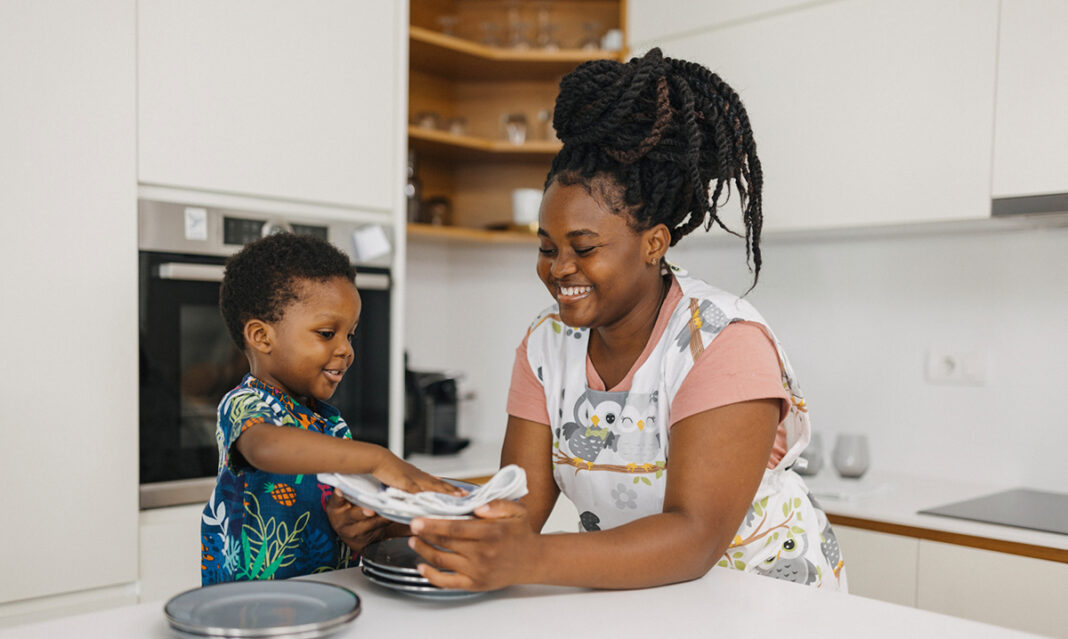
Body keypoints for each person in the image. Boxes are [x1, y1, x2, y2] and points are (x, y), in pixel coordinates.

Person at [336, 47, 846, 592]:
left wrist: (530, 560)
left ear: (654, 243)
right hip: (644, 599)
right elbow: (516, 510)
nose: (559, 269)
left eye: (583, 247)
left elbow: (694, 538)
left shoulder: (720, 341)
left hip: (768, 599)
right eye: (546, 247)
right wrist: (395, 525)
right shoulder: (545, 344)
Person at [200, 232, 460, 585]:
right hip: (250, 610)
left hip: (325, 598)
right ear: (262, 337)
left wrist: (352, 517)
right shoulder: (246, 402)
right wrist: (379, 459)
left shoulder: (330, 423)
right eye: (326, 333)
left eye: (349, 335)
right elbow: (267, 448)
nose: (346, 350)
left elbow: (334, 503)